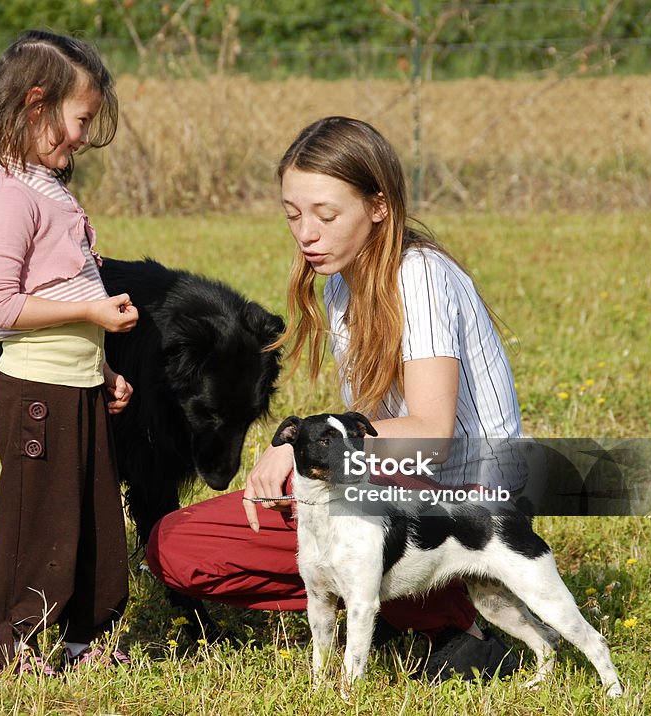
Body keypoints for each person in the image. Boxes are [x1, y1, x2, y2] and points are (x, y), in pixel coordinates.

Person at [146, 116, 522, 680]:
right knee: (175, 546)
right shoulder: (342, 282)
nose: (306, 234)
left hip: (463, 498)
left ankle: (453, 623)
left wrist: (301, 453)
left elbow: (430, 435)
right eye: (293, 214)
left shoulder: (418, 276)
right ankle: (390, 600)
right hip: (387, 485)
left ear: (378, 206)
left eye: (326, 215)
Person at [0, 30, 139, 675]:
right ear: (36, 106)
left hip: (77, 384)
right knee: (40, 518)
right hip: (38, 393)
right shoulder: (10, 193)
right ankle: (16, 641)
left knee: (92, 516)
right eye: (80, 119)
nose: (85, 136)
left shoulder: (49, 187)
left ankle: (81, 637)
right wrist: (91, 312)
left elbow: (61, 290)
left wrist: (104, 368)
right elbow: (0, 306)